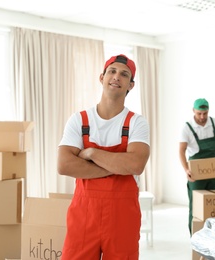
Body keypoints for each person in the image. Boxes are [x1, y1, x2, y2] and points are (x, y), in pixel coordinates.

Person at [57, 54, 150, 260]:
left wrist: (91, 153)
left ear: (131, 85)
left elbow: (136, 164)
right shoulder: (79, 120)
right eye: (112, 71)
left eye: (124, 74)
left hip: (122, 216)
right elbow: (64, 165)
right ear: (102, 77)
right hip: (84, 215)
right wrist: (117, 166)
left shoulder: (137, 122)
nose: (117, 77)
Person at [178, 98, 215, 235]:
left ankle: (213, 236)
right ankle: (195, 237)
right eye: (199, 113)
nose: (202, 117)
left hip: (212, 171)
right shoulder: (187, 127)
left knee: (213, 204)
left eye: (205, 113)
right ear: (193, 111)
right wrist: (186, 169)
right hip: (196, 174)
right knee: (196, 207)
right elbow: (181, 150)